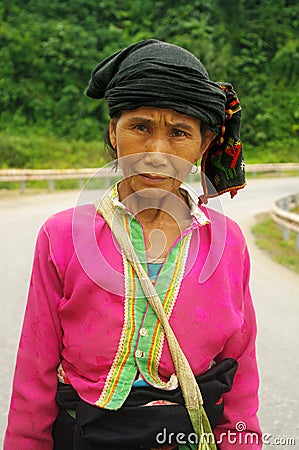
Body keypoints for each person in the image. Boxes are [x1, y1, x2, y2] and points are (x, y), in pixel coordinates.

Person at [4, 39, 262, 450]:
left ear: (205, 145)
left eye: (180, 133)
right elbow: (33, 374)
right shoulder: (63, 237)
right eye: (140, 127)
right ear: (113, 131)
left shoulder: (227, 244)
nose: (156, 153)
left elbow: (241, 379)